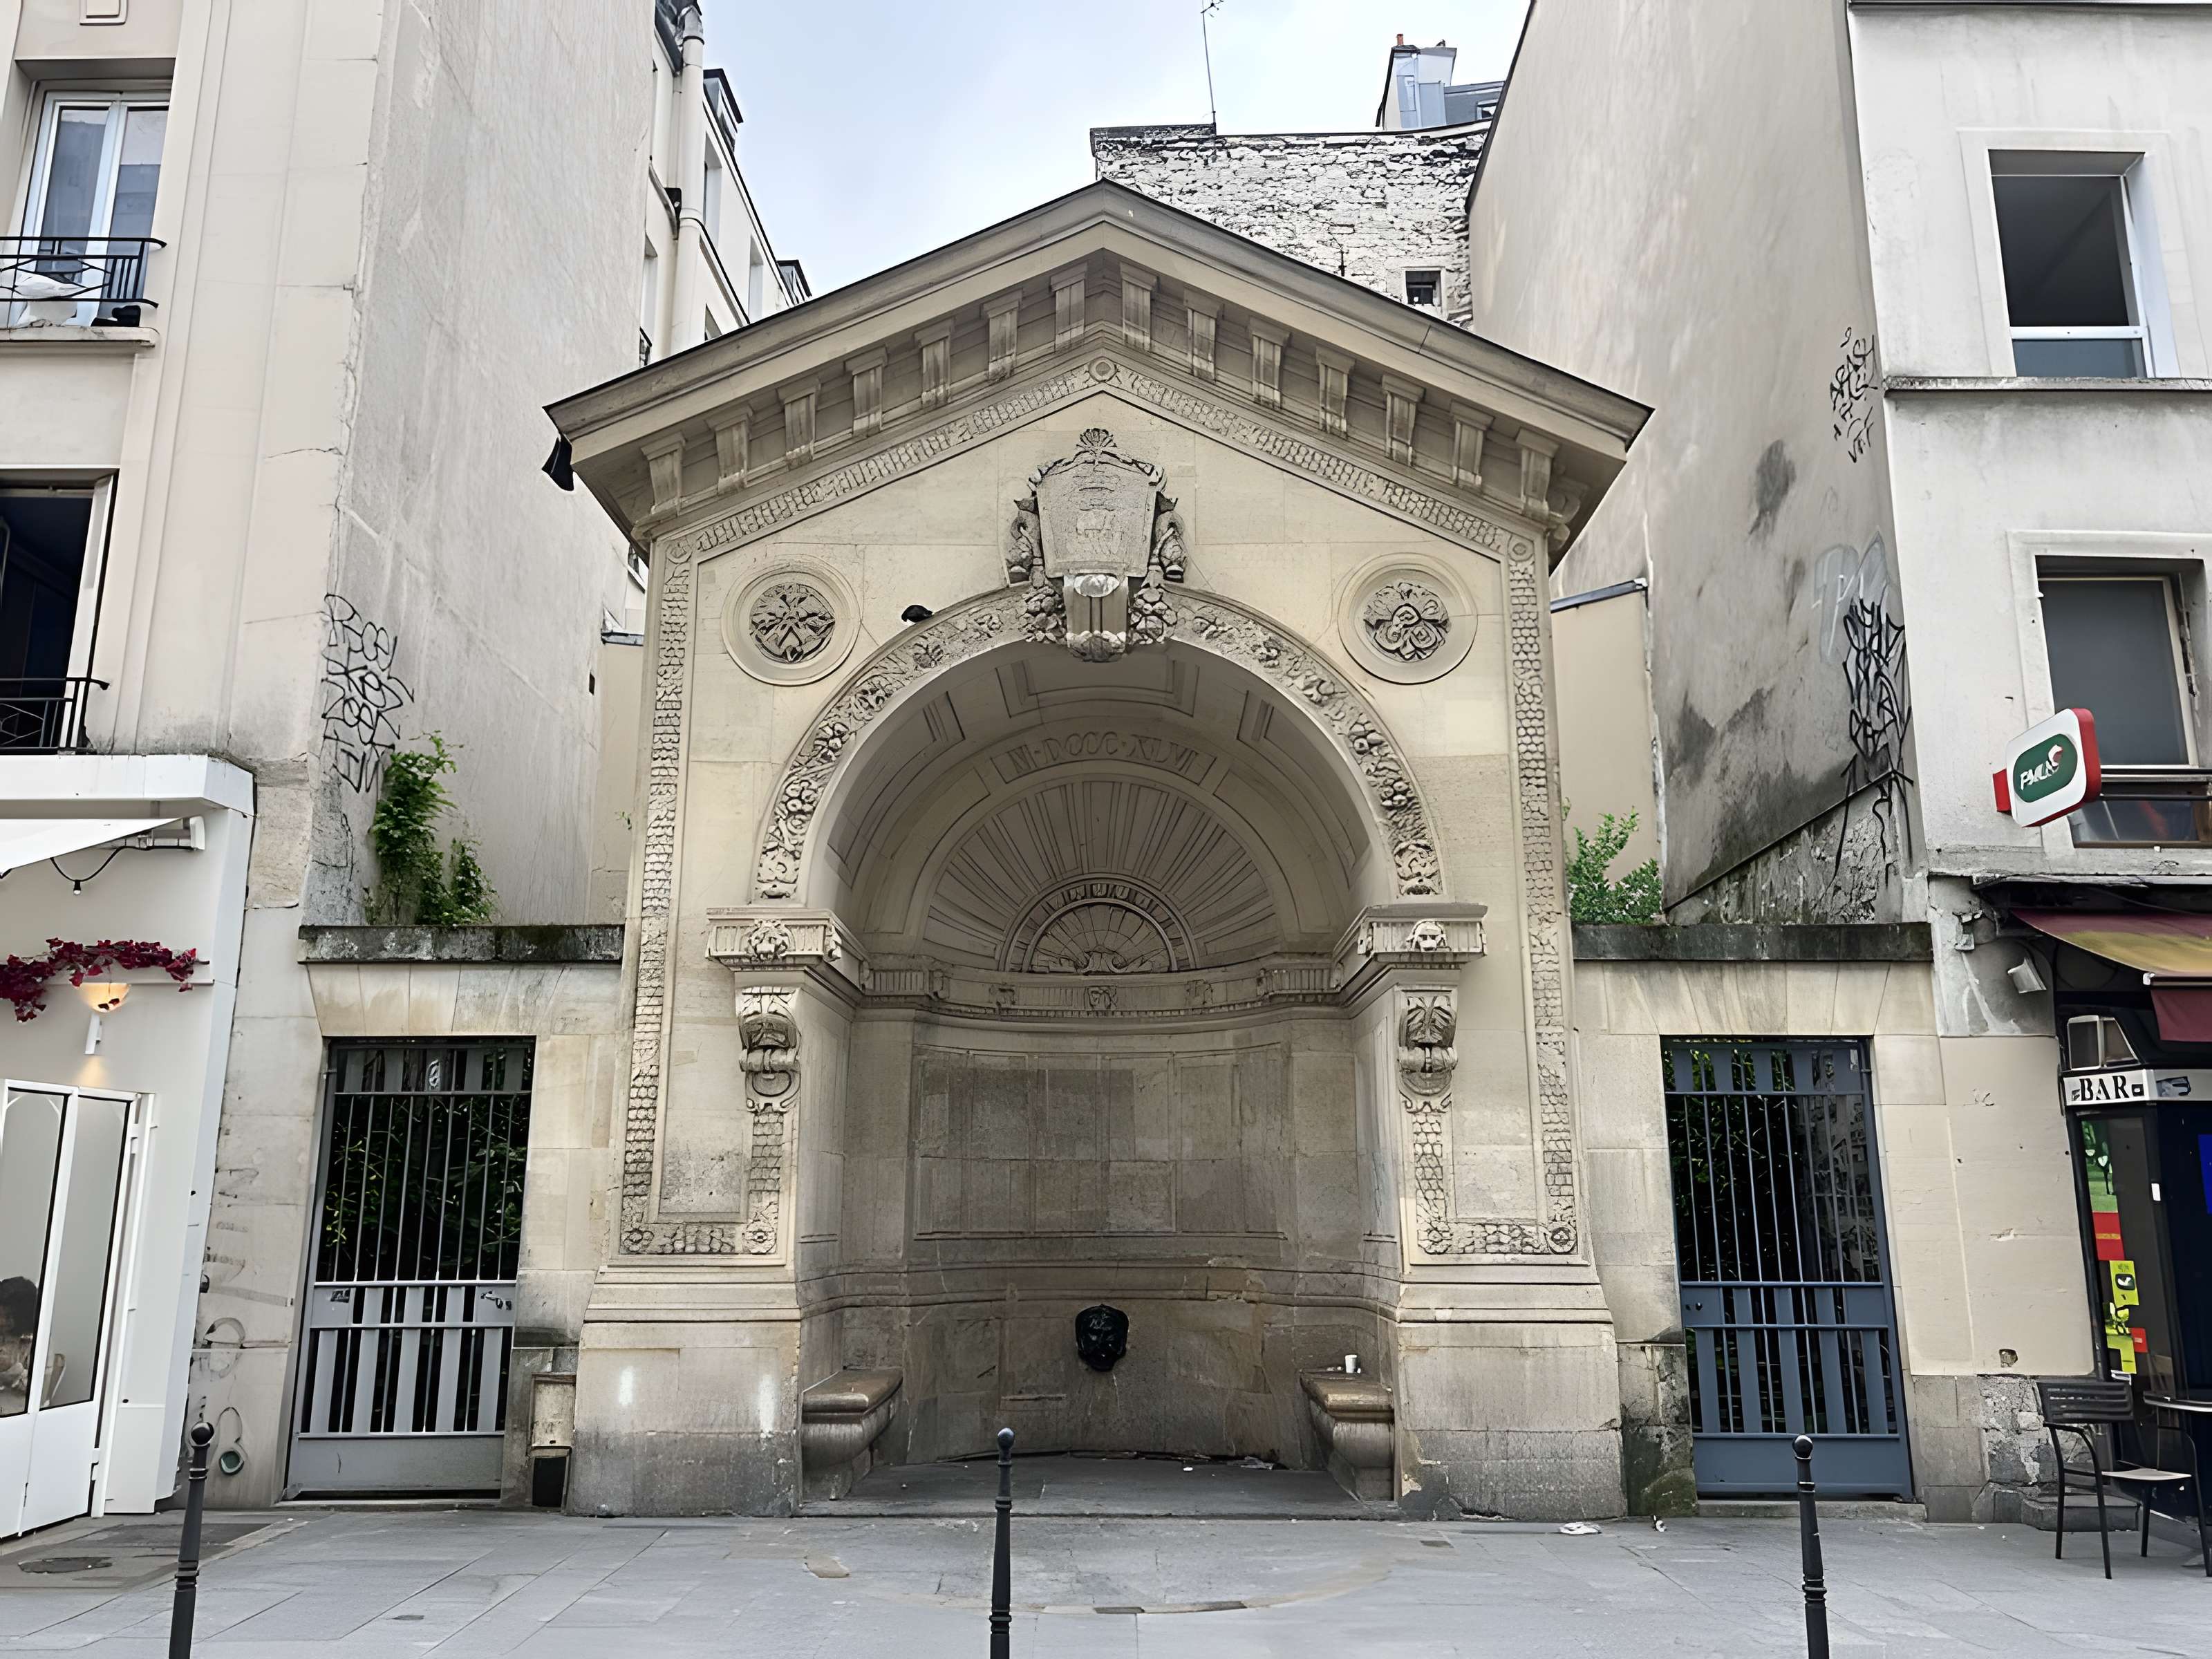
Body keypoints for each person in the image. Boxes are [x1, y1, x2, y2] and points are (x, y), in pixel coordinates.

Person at [0, 1276, 39, 1414]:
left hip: (15, 1415)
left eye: (9, 1317)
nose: (1, 1321)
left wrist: (13, 1370)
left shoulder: (37, 1343)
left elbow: (39, 1390)